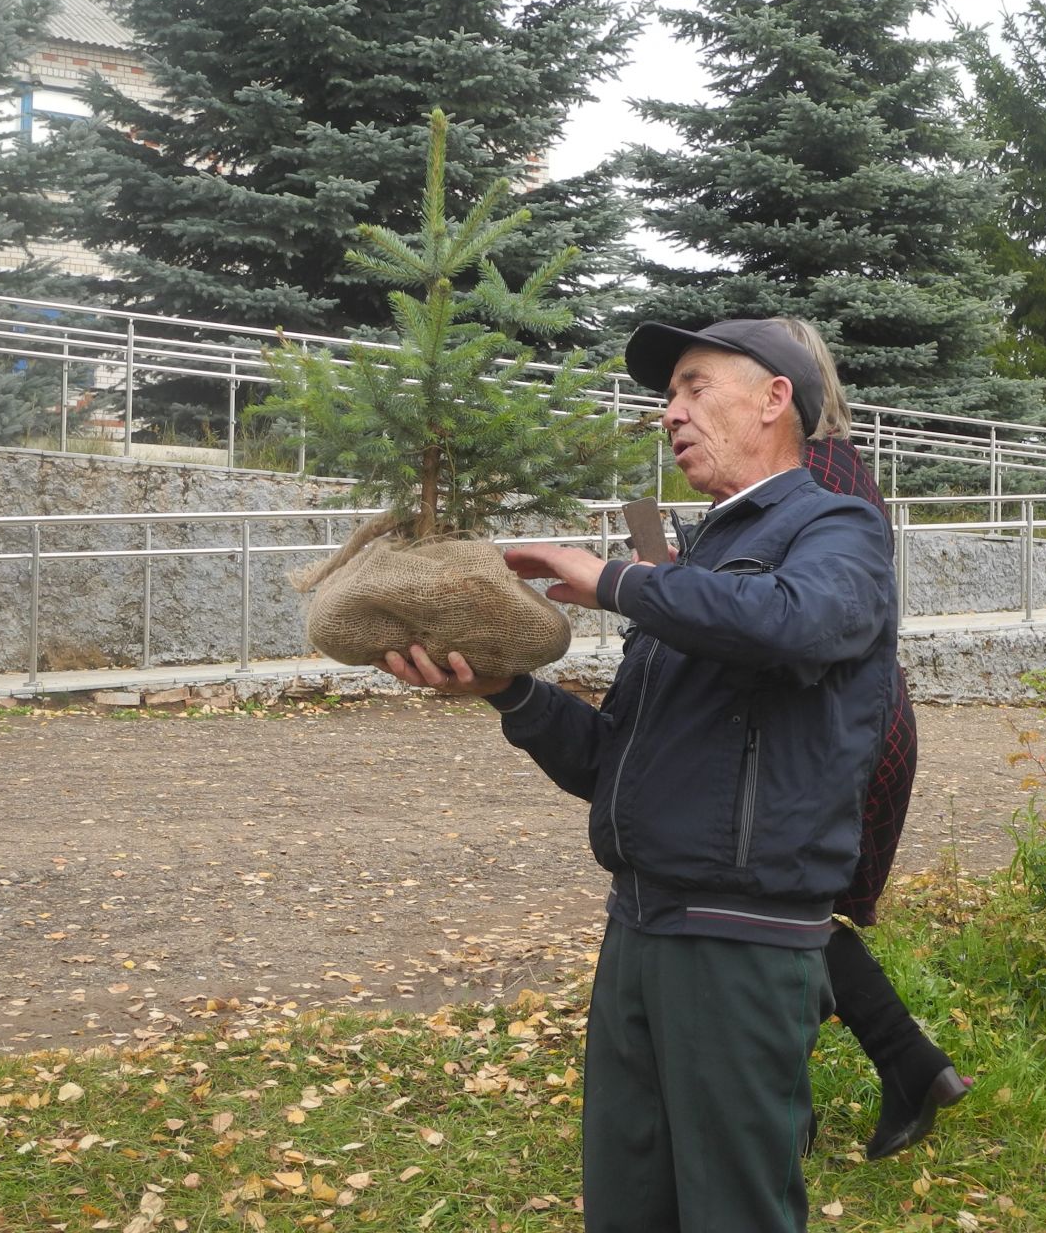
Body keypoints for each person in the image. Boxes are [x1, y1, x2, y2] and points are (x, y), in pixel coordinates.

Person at [381, 317, 896, 1233]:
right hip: (639, 930)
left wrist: (615, 580)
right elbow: (611, 764)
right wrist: (509, 691)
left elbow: (803, 622)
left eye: (696, 386)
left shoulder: (836, 527)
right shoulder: (697, 563)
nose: (671, 412)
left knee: (734, 1213)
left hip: (742, 944)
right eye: (669, 395)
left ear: (776, 398)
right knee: (628, 1205)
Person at [776, 317, 972, 1161]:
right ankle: (898, 1073)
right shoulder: (838, 467)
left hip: (841, 728)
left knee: (778, 908)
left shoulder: (809, 479)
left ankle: (887, 1074)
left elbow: (796, 619)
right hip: (864, 718)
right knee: (792, 910)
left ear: (783, 389)